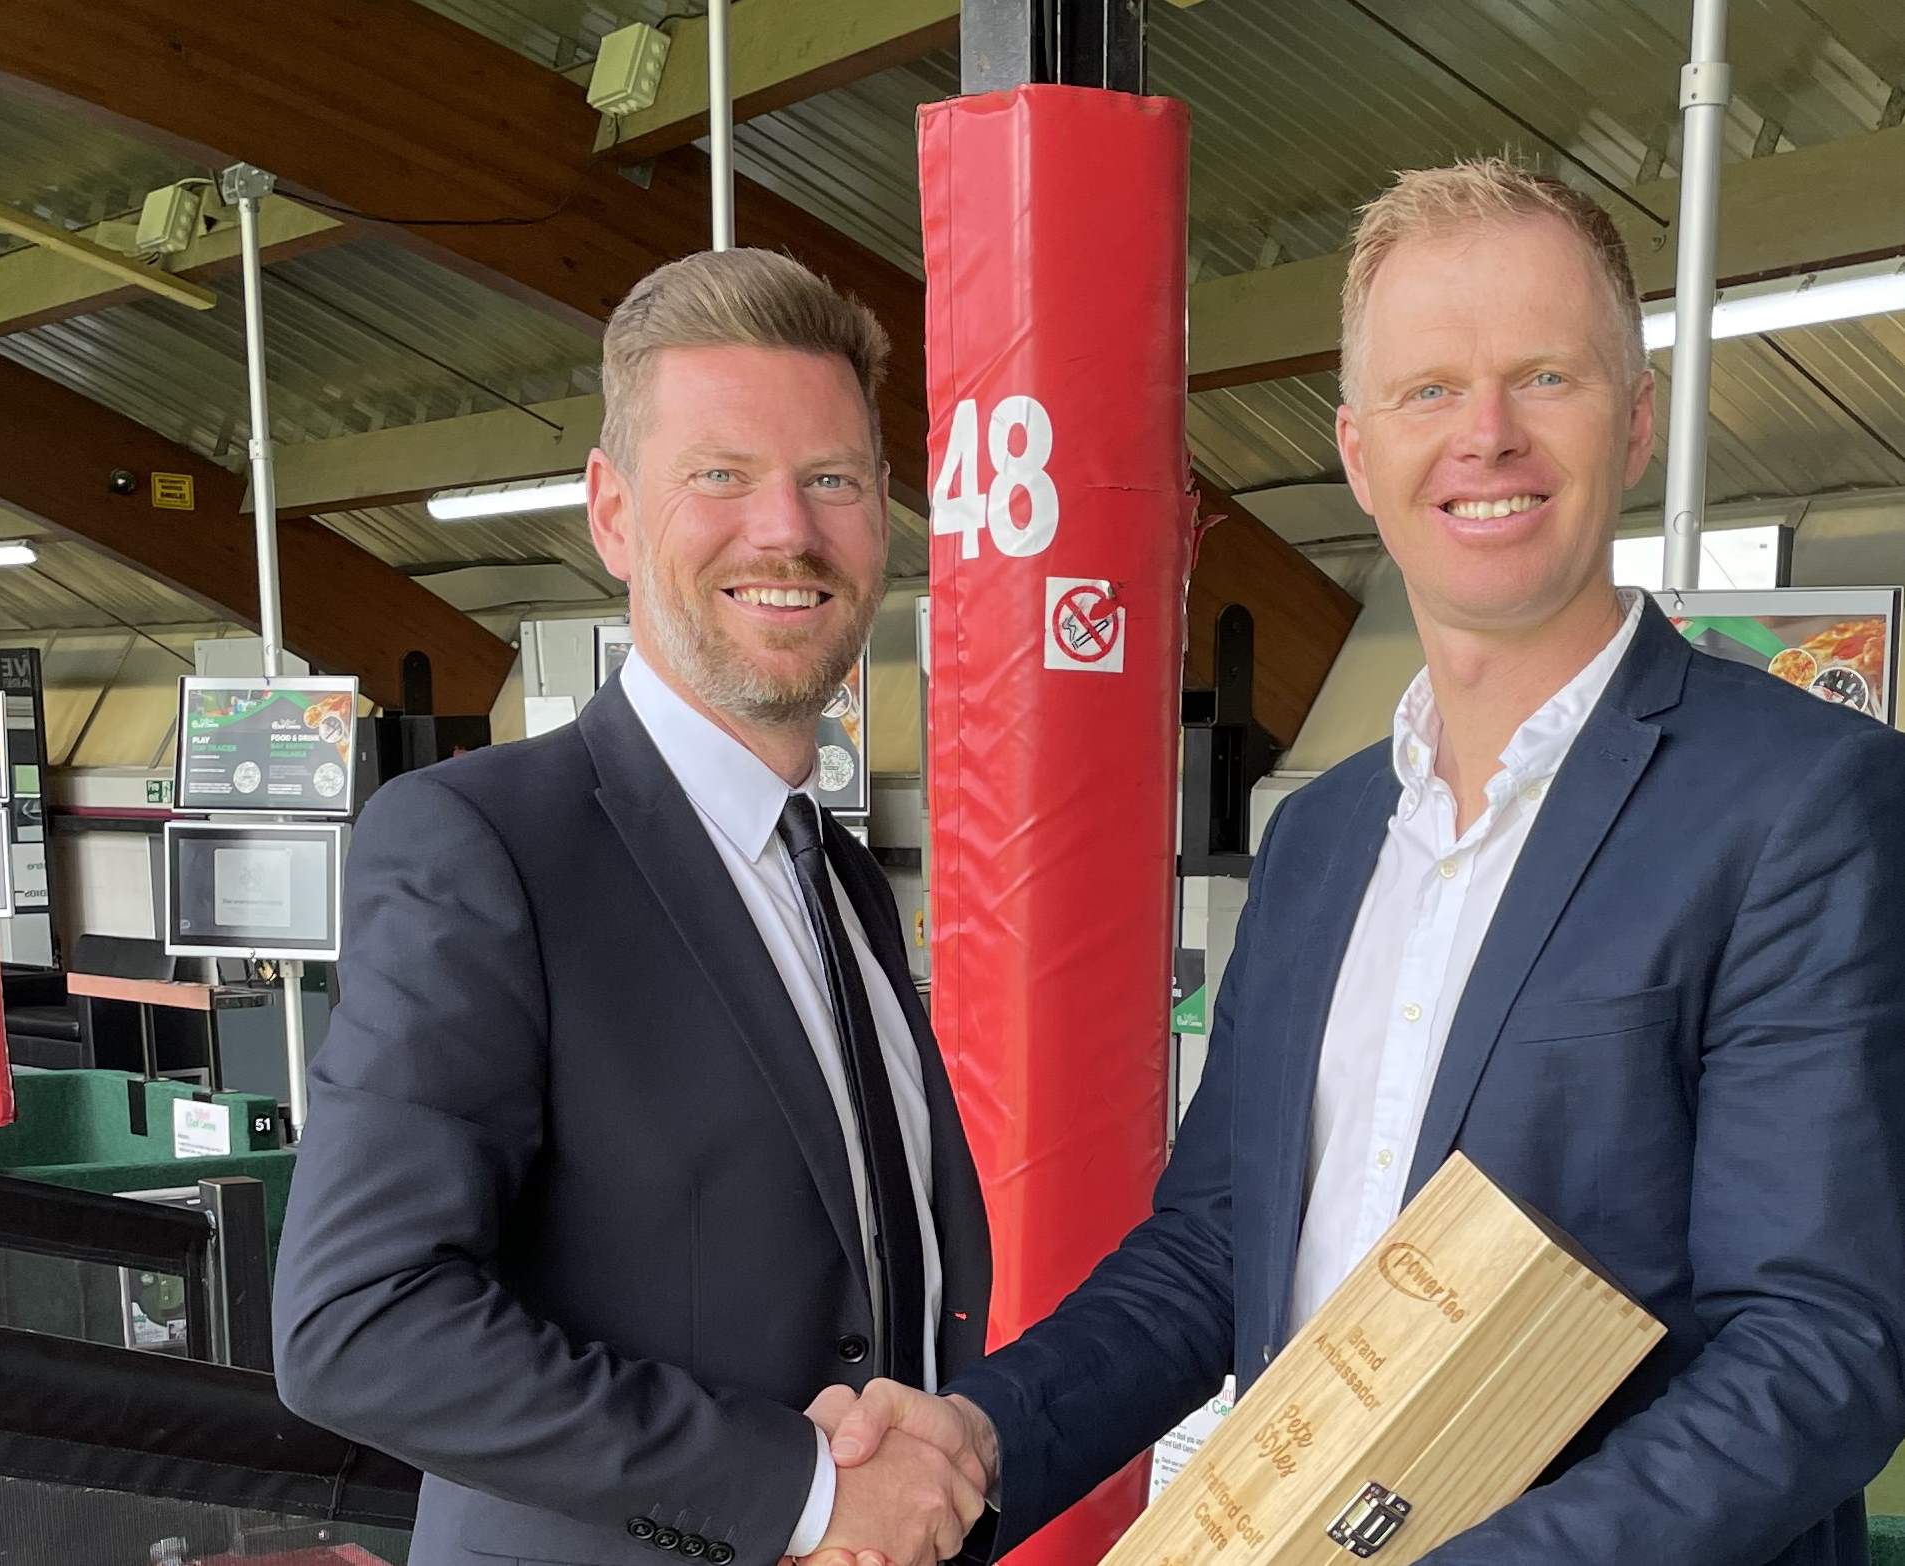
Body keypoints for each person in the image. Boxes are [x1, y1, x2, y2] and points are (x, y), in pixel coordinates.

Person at [813, 157, 1905, 1566]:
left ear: (1635, 423)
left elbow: (1814, 1351)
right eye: (1427, 390)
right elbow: (1214, 1248)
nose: (1486, 435)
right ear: (1354, 450)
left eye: (1544, 379)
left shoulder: (1798, 801)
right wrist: (985, 1432)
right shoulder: (1320, 839)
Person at [272, 248, 992, 1566]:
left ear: (881, 512)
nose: (784, 528)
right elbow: (357, 1319)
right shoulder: (485, 843)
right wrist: (800, 1492)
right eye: (719, 474)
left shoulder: (835, 879)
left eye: (828, 478)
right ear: (609, 511)